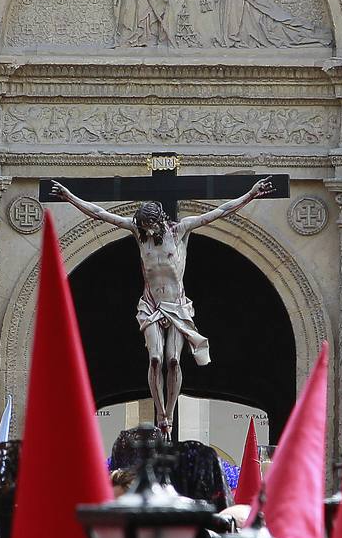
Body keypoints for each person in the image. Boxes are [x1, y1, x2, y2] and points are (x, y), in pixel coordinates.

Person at [50, 177, 272, 433]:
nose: (148, 231)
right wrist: (70, 197)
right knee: (155, 358)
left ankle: (171, 407)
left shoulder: (180, 231)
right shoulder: (139, 234)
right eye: (144, 226)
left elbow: (220, 212)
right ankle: (161, 414)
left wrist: (251, 194)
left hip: (176, 306)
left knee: (173, 361)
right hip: (151, 306)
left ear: (160, 220)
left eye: (151, 226)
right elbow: (101, 214)